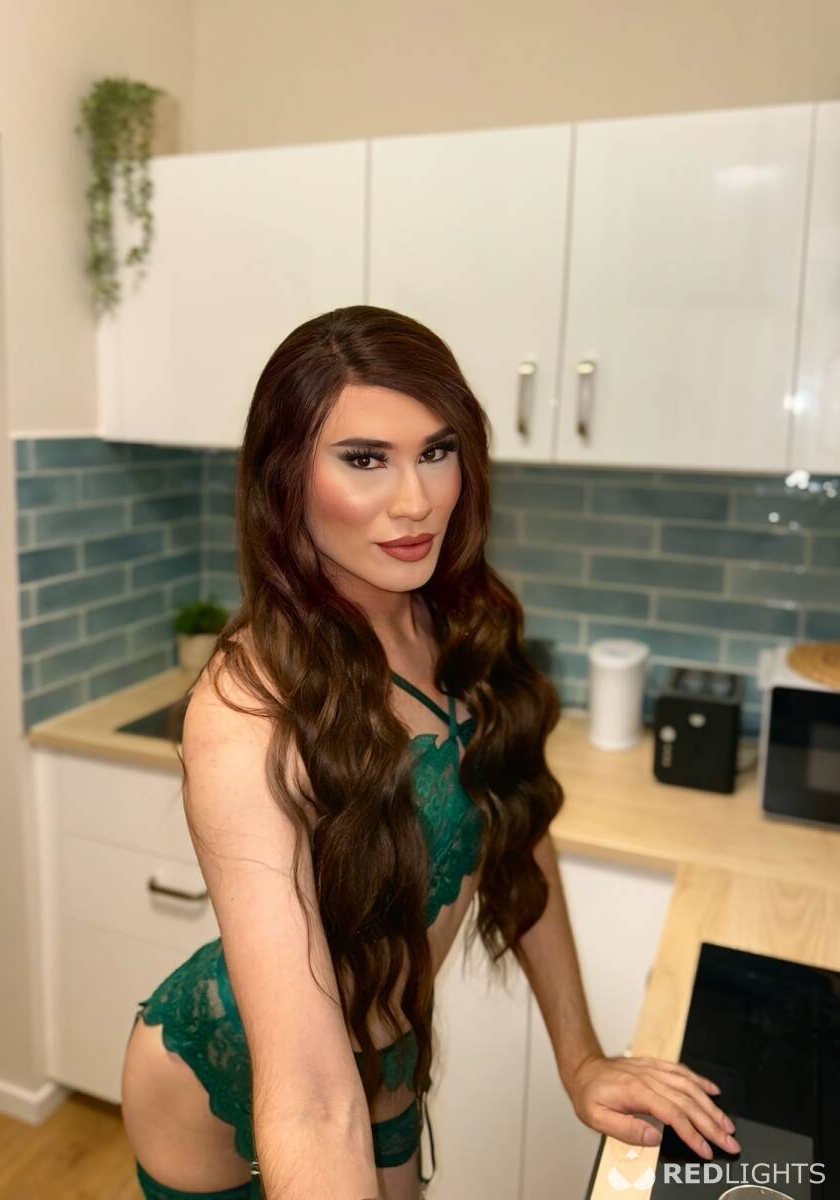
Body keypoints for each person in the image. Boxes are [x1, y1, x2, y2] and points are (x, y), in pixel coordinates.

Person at [120, 306, 739, 1200]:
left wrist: (582, 1060)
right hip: (227, 1070)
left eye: (437, 451)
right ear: (286, 478)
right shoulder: (249, 707)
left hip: (386, 1056)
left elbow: (517, 832)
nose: (416, 501)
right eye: (365, 459)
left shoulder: (460, 623)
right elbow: (307, 1095)